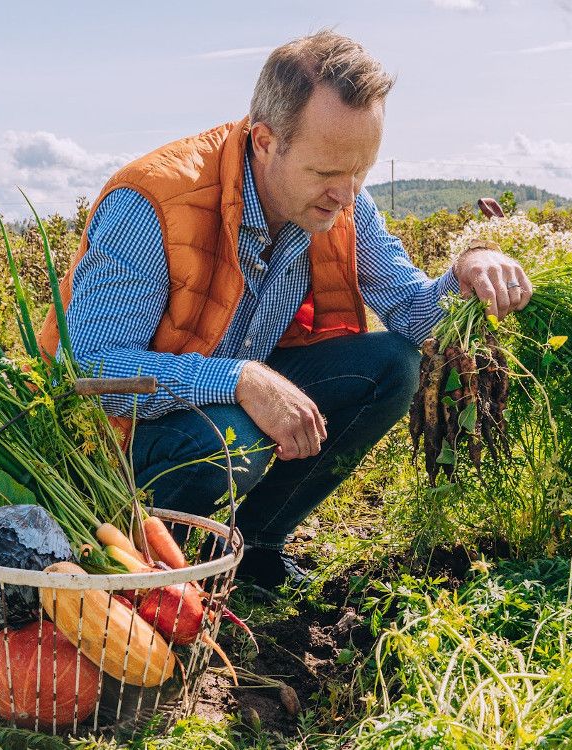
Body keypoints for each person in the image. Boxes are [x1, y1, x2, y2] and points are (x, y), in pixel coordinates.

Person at [37, 30, 532, 589]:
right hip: (118, 439)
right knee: (232, 437)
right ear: (267, 141)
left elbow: (417, 313)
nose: (346, 193)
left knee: (392, 365)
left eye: (360, 171)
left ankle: (254, 547)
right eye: (326, 173)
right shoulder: (151, 204)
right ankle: (138, 562)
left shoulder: (343, 203)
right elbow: (88, 370)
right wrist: (240, 379)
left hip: (229, 399)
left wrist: (471, 268)